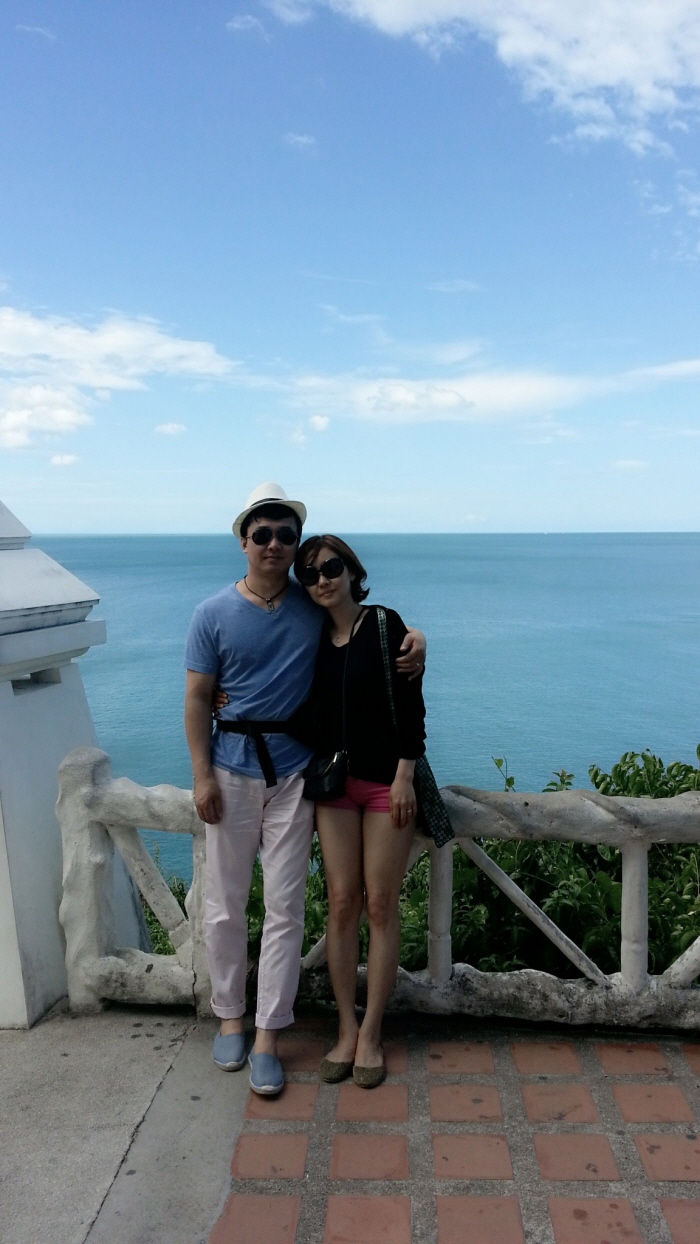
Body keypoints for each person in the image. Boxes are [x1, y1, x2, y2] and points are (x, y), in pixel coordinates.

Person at [184, 483, 425, 1096]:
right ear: (244, 542)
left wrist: (417, 640)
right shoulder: (213, 613)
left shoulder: (310, 606)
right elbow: (197, 696)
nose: (276, 544)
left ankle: (270, 1034)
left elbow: (370, 632)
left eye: (286, 535)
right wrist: (201, 773)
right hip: (235, 769)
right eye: (262, 534)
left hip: (297, 777)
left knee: (288, 908)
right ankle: (230, 1018)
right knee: (227, 904)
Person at [295, 534, 426, 1088]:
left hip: (384, 787)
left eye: (331, 568)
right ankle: (345, 1029)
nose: (322, 580)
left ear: (351, 571)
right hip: (333, 788)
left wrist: (404, 776)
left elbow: (412, 704)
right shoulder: (308, 637)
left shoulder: (385, 624)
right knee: (343, 902)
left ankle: (372, 1032)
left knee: (381, 905)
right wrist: (225, 698)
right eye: (310, 574)